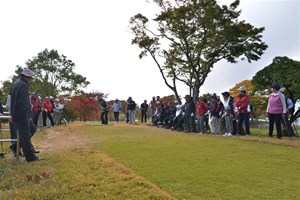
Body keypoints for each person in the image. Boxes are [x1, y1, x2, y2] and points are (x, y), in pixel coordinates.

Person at [10, 68, 44, 162]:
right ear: (28, 77)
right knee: (25, 135)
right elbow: (24, 102)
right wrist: (26, 113)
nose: (32, 80)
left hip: (19, 114)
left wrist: (12, 114)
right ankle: (30, 157)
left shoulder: (17, 84)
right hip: (22, 115)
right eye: (31, 78)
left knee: (32, 129)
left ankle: (15, 146)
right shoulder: (23, 85)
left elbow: (13, 101)